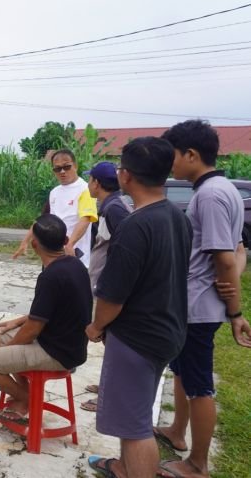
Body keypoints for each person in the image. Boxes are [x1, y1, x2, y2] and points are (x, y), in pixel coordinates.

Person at [86, 137, 192, 478]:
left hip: (137, 337)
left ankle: (134, 468)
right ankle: (121, 467)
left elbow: (112, 297)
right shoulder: (177, 217)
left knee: (134, 427)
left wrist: (96, 326)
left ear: (126, 175)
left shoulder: (135, 225)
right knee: (130, 410)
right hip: (168, 327)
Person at [154, 120, 251, 478]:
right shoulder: (224, 189)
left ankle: (197, 463)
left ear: (192, 154)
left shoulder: (209, 195)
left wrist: (235, 309)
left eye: (174, 156)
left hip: (198, 306)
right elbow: (237, 251)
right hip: (193, 303)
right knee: (181, 372)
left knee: (199, 385)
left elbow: (225, 258)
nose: (171, 165)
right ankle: (177, 431)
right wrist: (231, 280)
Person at [0, 213, 92, 423]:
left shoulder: (50, 276)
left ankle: (27, 397)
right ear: (65, 241)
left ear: (35, 244)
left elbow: (33, 329)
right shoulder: (75, 265)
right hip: (71, 345)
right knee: (0, 332)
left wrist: (9, 348)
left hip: (57, 352)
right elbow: (48, 311)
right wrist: (16, 322)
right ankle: (23, 397)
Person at [81, 161, 132, 412]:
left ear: (97, 183)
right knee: (108, 342)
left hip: (109, 289)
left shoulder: (115, 210)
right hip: (102, 286)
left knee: (112, 341)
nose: (89, 184)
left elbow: (122, 251)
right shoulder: (110, 206)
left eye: (90, 180)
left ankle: (110, 398)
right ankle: (107, 386)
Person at [13, 149, 97, 268]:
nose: (62, 172)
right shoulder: (54, 193)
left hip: (74, 256)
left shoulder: (84, 190)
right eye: (57, 169)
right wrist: (25, 241)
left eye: (66, 167)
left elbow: (86, 219)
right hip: (50, 257)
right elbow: (43, 220)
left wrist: (70, 245)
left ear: (75, 166)